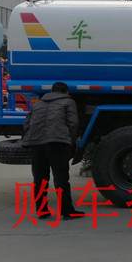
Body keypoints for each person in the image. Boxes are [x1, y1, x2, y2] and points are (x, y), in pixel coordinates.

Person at [21, 81, 84, 220]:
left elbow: (27, 124)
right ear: (66, 91)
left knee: (39, 179)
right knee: (61, 178)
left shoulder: (37, 104)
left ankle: (42, 211)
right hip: (57, 143)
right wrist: (70, 139)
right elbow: (73, 123)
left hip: (36, 143)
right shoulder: (68, 102)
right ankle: (67, 211)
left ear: (51, 91)